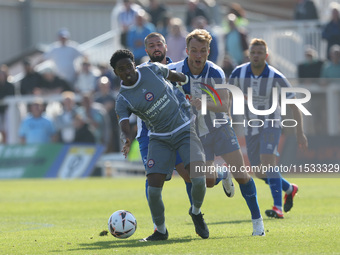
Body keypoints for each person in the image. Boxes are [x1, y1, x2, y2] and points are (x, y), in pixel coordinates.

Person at [170, 29, 265, 236]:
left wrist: (202, 102)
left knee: (242, 175)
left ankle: (258, 224)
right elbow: (155, 73)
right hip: (197, 135)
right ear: (187, 51)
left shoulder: (215, 72)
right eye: (194, 50)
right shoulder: (175, 70)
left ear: (208, 51)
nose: (198, 55)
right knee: (208, 181)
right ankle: (222, 174)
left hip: (220, 128)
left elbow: (224, 104)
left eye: (202, 51)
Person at [110, 49, 209, 241]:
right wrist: (126, 138)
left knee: (198, 179)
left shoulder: (151, 69)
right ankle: (161, 231)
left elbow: (173, 75)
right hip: (159, 138)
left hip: (184, 128)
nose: (126, 72)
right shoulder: (122, 98)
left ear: (134, 65)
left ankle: (196, 212)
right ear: (116, 73)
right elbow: (123, 122)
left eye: (128, 66)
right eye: (121, 69)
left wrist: (185, 80)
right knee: (153, 190)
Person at [228, 38, 309, 218]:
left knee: (268, 163)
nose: (256, 56)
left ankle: (277, 208)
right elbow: (228, 96)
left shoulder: (276, 76)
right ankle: (289, 188)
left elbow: (294, 105)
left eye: (259, 53)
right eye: (253, 53)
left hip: (271, 123)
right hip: (251, 127)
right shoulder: (238, 73)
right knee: (259, 172)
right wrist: (226, 118)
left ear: (266, 55)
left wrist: (300, 132)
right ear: (249, 54)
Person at [0, 65, 15, 144]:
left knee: (7, 129)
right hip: (0, 111)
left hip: (8, 110)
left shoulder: (10, 85)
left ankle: (6, 143)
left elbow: (11, 96)